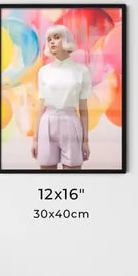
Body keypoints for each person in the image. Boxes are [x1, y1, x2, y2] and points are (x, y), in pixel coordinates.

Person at [31, 25, 91, 170]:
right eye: (49, 39)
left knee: (72, 171)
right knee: (46, 171)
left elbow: (83, 110)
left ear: (66, 40)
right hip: (47, 122)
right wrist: (35, 139)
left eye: (57, 38)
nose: (52, 42)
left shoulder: (81, 71)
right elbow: (41, 106)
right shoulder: (43, 71)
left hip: (71, 122)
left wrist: (85, 141)